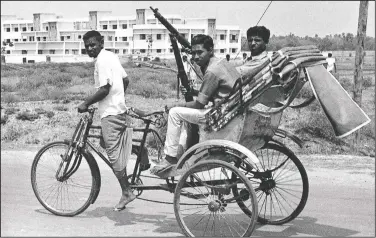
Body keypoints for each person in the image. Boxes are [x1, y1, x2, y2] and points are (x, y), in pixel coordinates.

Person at [77, 30, 149, 212]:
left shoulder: (101, 61)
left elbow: (104, 89)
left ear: (101, 43)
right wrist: (118, 99)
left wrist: (86, 103)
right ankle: (139, 149)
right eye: (87, 46)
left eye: (93, 44)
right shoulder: (111, 56)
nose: (90, 48)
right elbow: (125, 80)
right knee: (104, 140)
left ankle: (126, 192)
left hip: (111, 114)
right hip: (118, 110)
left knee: (113, 154)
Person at [150, 34, 239, 174]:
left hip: (218, 114)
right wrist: (194, 91)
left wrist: (176, 105)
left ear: (210, 50)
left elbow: (199, 105)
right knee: (183, 116)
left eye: (200, 52)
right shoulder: (222, 63)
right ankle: (182, 152)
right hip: (229, 109)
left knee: (175, 113)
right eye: (194, 53)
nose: (196, 57)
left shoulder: (211, 71)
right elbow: (215, 92)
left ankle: (170, 157)